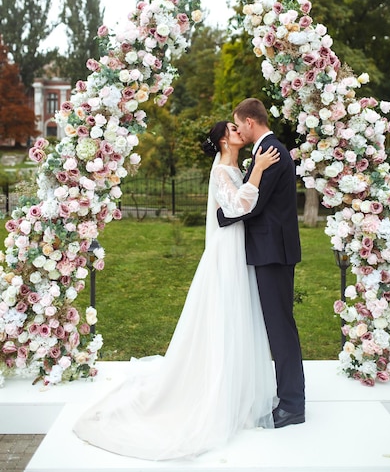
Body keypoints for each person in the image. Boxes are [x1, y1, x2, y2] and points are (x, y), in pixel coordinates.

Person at [73, 121, 280, 461]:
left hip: (236, 248)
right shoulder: (223, 171)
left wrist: (252, 170)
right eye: (233, 127)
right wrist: (257, 171)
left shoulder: (232, 166)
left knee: (236, 315)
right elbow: (235, 209)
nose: (240, 129)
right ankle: (216, 391)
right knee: (224, 314)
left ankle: (236, 389)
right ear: (224, 140)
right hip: (225, 252)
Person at [217, 98, 305, 429]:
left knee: (280, 328)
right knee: (278, 326)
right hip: (270, 250)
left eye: (239, 125)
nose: (237, 130)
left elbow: (253, 206)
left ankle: (293, 404)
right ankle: (290, 397)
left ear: (251, 123)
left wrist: (221, 218)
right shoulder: (265, 153)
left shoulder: (273, 153)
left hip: (274, 252)